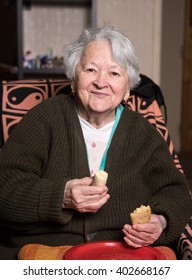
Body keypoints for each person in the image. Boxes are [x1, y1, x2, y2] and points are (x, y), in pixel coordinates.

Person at [0, 25, 191, 260]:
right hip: (47, 249)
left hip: (122, 253)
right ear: (73, 79)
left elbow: (177, 192)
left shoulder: (143, 133)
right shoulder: (44, 118)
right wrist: (61, 196)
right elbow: (5, 188)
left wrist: (161, 221)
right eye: (91, 70)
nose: (101, 83)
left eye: (114, 73)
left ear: (127, 89)